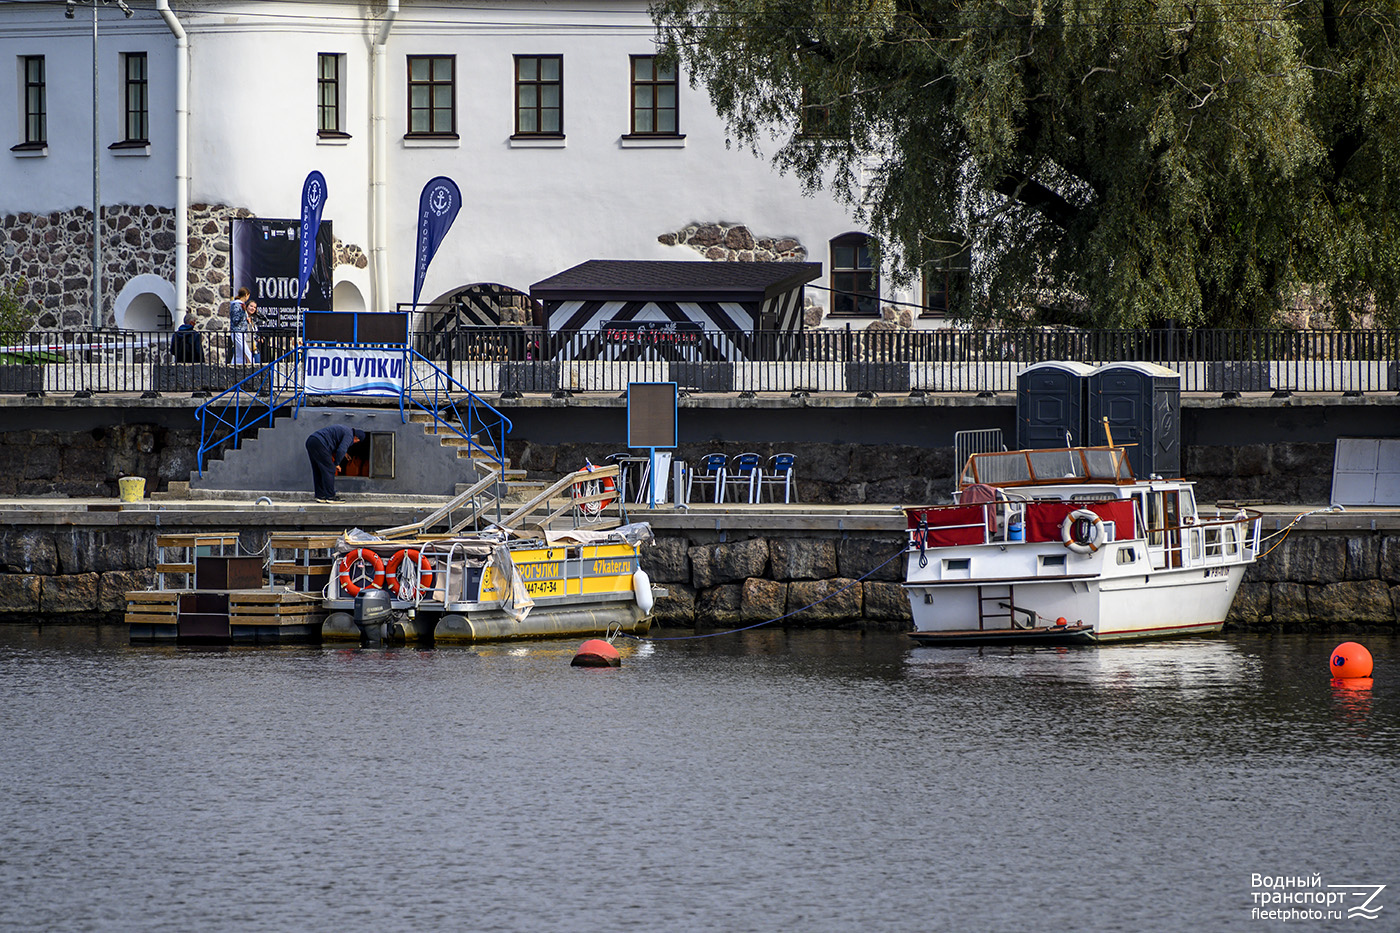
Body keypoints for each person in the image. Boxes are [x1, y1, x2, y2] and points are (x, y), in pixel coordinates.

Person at [306, 425, 359, 503]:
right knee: (330, 469)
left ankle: (320, 496)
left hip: (311, 441)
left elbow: (336, 444)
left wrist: (345, 454)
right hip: (320, 443)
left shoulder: (345, 430)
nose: (356, 442)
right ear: (356, 437)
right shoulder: (349, 435)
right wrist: (337, 463)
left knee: (318, 470)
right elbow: (341, 449)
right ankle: (330, 497)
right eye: (357, 440)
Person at [229, 287, 254, 364]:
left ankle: (234, 367)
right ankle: (253, 366)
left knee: (239, 355)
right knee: (246, 352)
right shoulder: (237, 305)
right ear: (246, 295)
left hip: (241, 331)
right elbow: (235, 320)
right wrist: (243, 314)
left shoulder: (241, 305)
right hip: (237, 331)